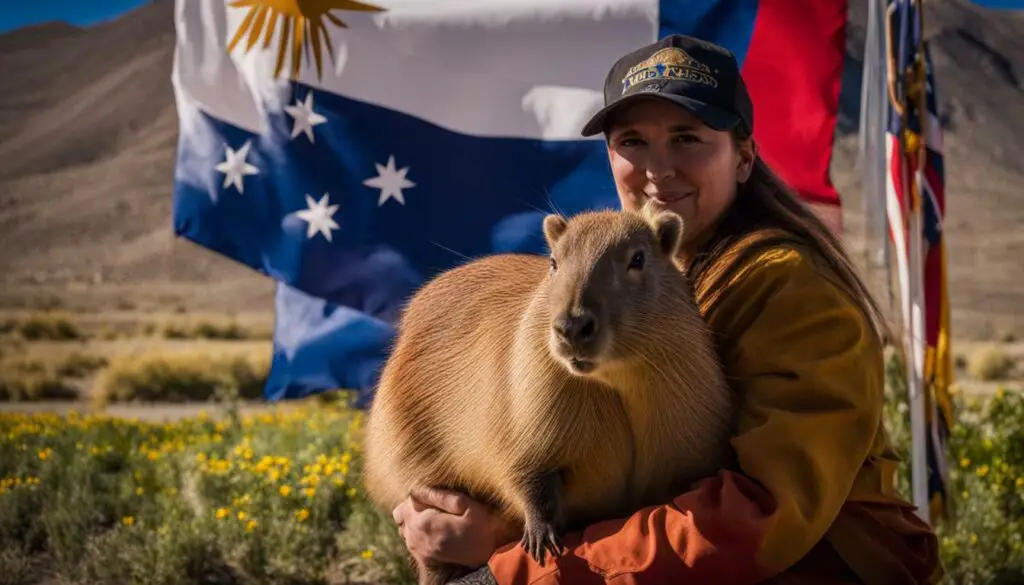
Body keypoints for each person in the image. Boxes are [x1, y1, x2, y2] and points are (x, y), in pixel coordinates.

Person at [390, 34, 943, 585]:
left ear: (744, 156)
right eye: (634, 142)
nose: (659, 169)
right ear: (610, 159)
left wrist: (511, 562)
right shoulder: (657, 274)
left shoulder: (792, 291)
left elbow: (757, 517)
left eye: (687, 139)